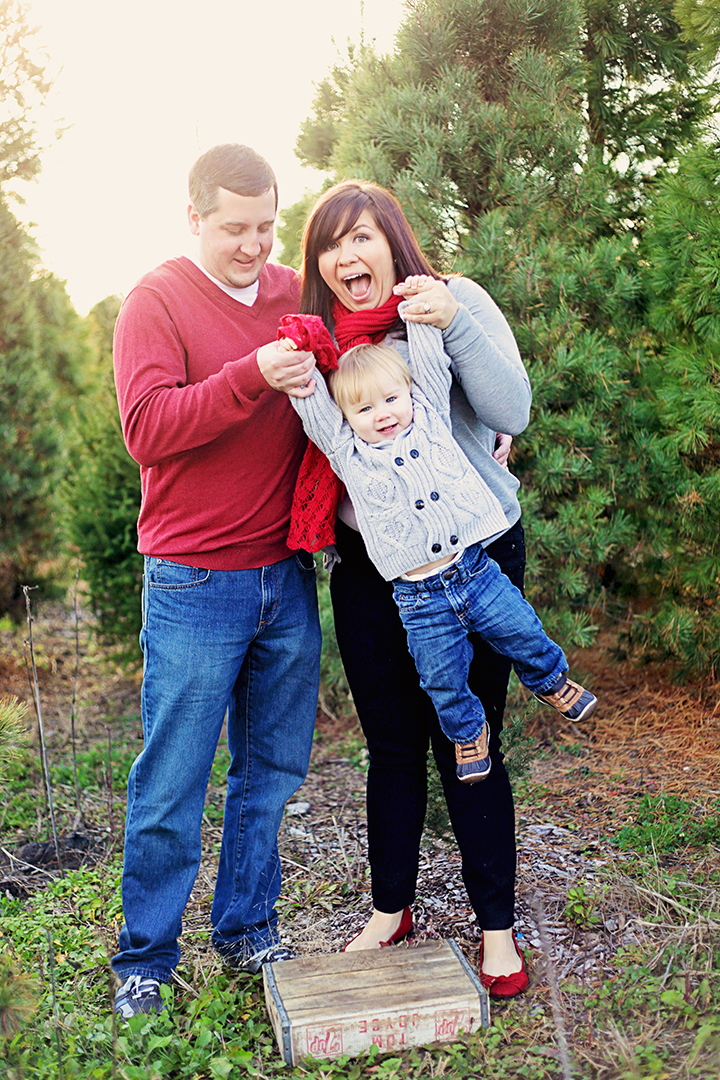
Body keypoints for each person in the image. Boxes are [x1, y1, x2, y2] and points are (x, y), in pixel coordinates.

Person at [292, 179, 538, 997]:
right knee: (393, 745)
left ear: (393, 241)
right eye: (331, 244)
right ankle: (390, 906)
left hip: (475, 558)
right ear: (319, 263)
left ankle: (496, 929)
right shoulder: (322, 344)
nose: (347, 256)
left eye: (361, 236)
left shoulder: (451, 298)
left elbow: (513, 409)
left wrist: (455, 325)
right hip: (376, 570)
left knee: (470, 742)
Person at [111, 144, 322, 1020]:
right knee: (173, 783)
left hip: (286, 575)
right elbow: (149, 428)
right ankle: (146, 960)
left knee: (270, 771)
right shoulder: (155, 302)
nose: (254, 246)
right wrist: (248, 377)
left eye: (268, 227)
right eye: (235, 228)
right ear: (193, 217)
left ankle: (245, 930)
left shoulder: (288, 293)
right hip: (195, 582)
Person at [278, 326, 597, 784]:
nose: (382, 414)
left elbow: (431, 365)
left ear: (408, 394)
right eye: (364, 408)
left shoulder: (428, 417)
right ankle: (468, 733)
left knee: (521, 628)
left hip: (474, 571)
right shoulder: (347, 452)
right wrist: (300, 365)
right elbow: (314, 411)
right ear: (345, 418)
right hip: (419, 598)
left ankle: (550, 680)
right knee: (441, 677)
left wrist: (422, 320)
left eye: (390, 399)